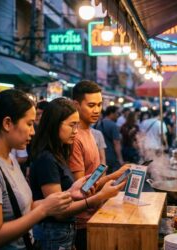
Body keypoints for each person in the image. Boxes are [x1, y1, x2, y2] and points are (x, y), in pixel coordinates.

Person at [0, 89, 73, 249]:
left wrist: (61, 198)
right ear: (7, 123)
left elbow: (21, 208)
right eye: (29, 123)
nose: (33, 131)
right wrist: (43, 211)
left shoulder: (10, 158)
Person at [30, 98, 125, 249]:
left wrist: (76, 192)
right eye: (71, 125)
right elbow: (58, 212)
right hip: (53, 237)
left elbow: (64, 197)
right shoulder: (46, 159)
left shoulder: (58, 153)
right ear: (54, 124)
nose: (75, 131)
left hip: (64, 234)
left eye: (77, 125)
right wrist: (99, 197)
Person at [69, 80, 130, 250]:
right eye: (91, 105)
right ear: (76, 104)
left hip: (95, 214)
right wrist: (113, 176)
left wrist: (115, 175)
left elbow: (93, 178)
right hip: (82, 223)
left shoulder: (90, 132)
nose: (97, 110)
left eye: (99, 104)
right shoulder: (75, 139)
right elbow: (83, 189)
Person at [94, 106, 124, 173]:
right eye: (116, 113)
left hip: (100, 155)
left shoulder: (98, 124)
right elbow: (117, 143)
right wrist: (120, 159)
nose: (117, 115)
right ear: (111, 113)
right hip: (111, 157)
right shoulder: (113, 125)